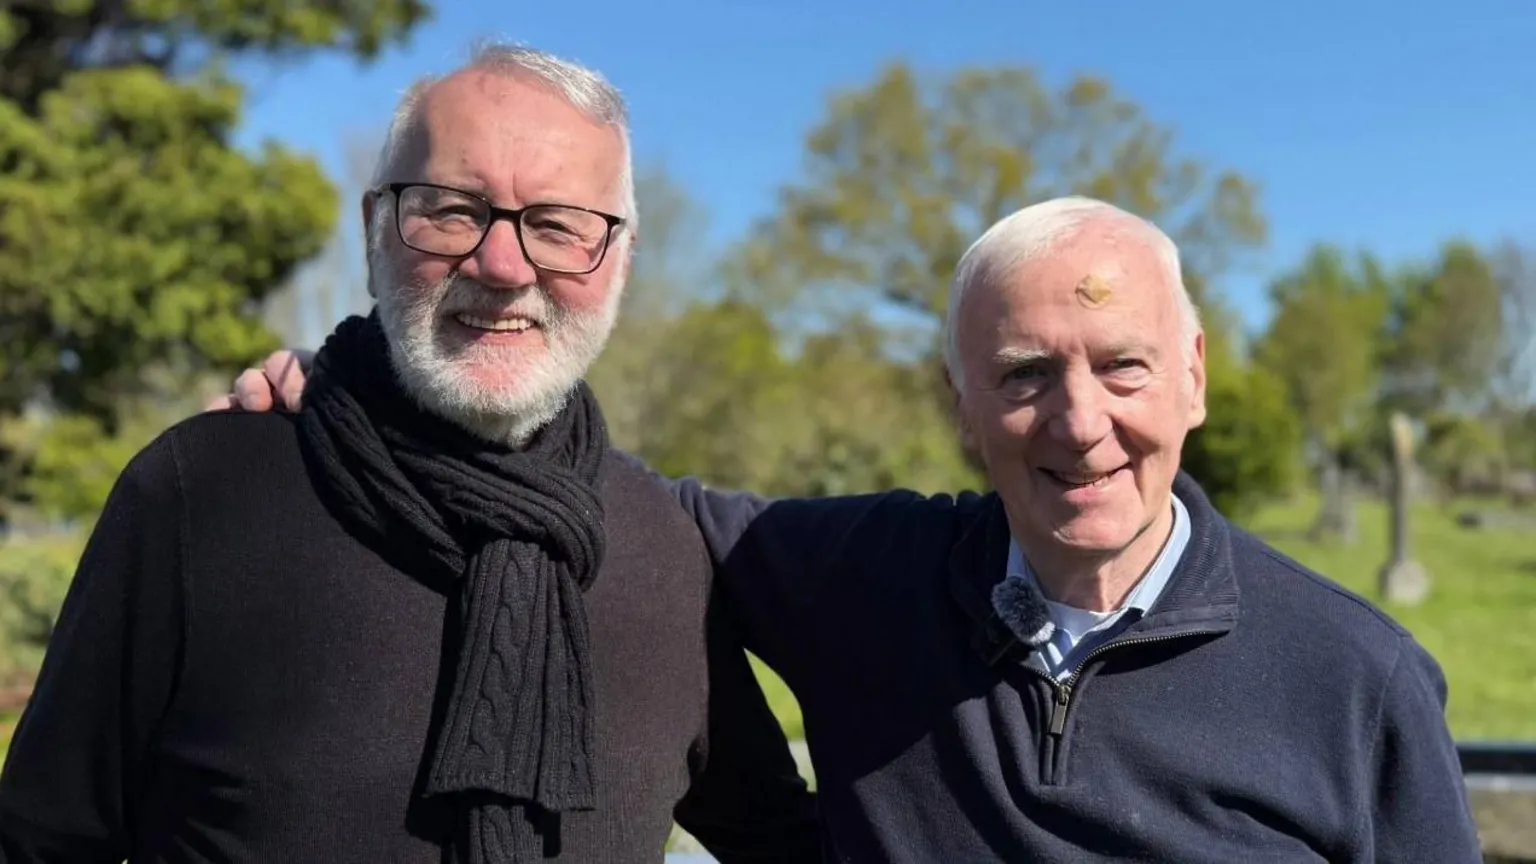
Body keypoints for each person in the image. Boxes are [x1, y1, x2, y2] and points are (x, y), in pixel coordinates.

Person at [220, 195, 1484, 862]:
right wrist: (371, 397)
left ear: (1196, 377)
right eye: (1026, 373)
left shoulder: (1356, 680)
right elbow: (606, 500)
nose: (1080, 421)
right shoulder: (864, 579)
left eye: (1126, 367)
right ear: (962, 407)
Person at [0, 43, 820, 863]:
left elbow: (787, 843)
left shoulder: (665, 548)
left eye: (559, 226)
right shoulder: (201, 493)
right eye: (452, 209)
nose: (502, 265)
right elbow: (40, 841)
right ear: (374, 228)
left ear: (622, 259)